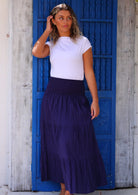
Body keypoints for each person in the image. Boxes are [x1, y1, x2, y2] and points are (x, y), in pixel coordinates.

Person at [32, 3, 107, 195]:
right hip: (54, 99)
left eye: (68, 17)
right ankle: (65, 188)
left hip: (76, 99)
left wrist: (95, 100)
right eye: (60, 18)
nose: (65, 21)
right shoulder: (52, 43)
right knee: (58, 145)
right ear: (54, 22)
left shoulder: (83, 42)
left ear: (72, 20)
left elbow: (89, 72)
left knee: (72, 145)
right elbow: (36, 52)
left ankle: (70, 188)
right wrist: (46, 31)